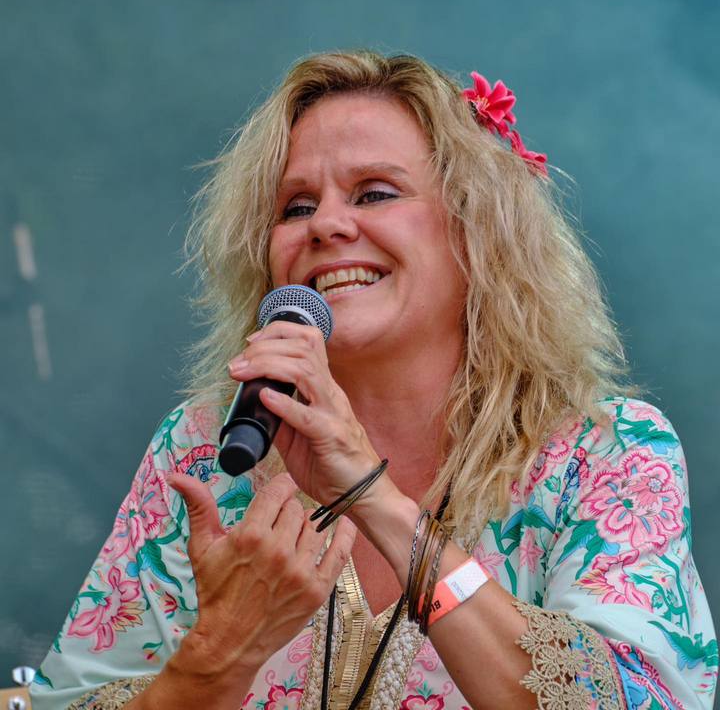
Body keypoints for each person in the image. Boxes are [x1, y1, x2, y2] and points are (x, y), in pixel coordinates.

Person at [30, 51, 717, 710]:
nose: (326, 225)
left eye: (375, 193)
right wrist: (221, 652)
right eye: (295, 206)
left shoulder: (604, 453)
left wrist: (374, 498)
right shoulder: (204, 450)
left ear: (477, 231)